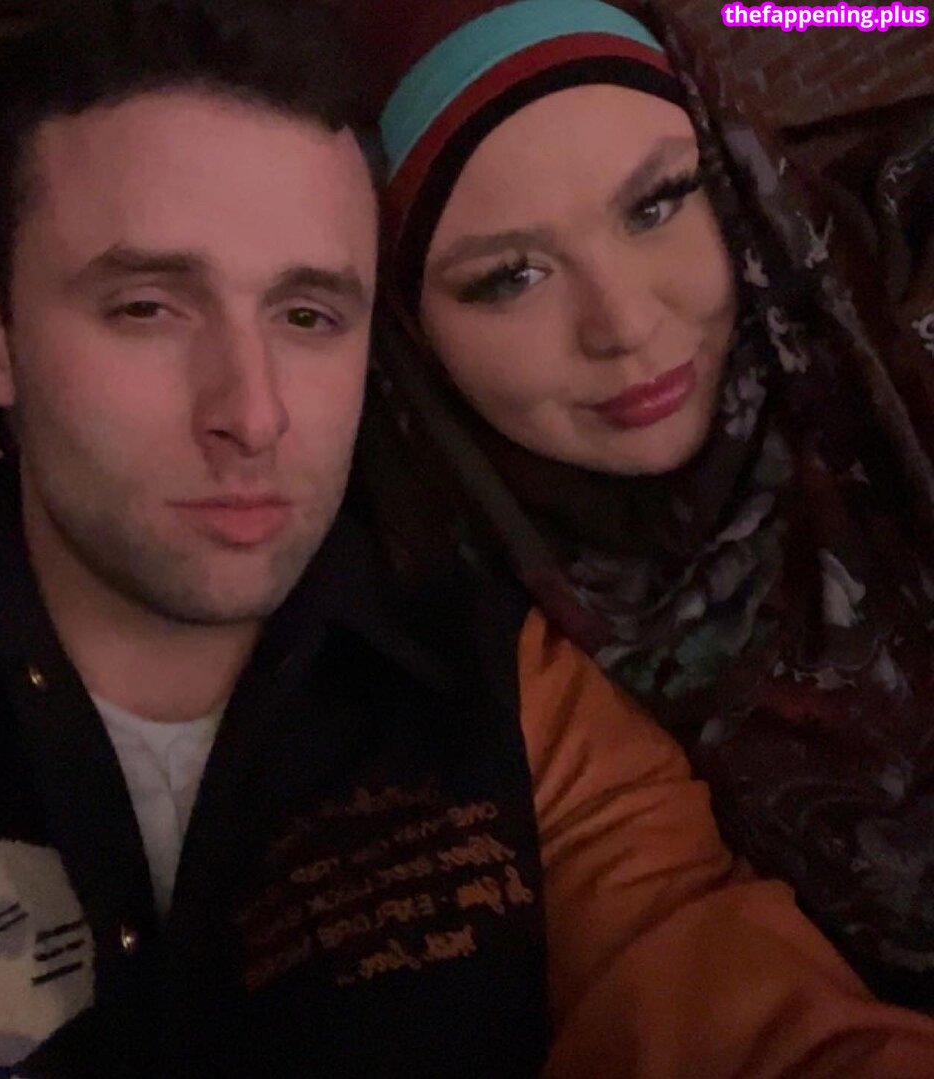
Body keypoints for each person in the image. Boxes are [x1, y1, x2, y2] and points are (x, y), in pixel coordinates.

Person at [0, 2, 934, 1076]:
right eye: (147, 307)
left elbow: (704, 969)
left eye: (309, 315)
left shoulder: (509, 684)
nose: (254, 412)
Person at [349, 0, 934, 1008]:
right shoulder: (427, 654)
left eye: (658, 204)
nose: (621, 322)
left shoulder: (896, 363)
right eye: (510, 276)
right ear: (407, 328)